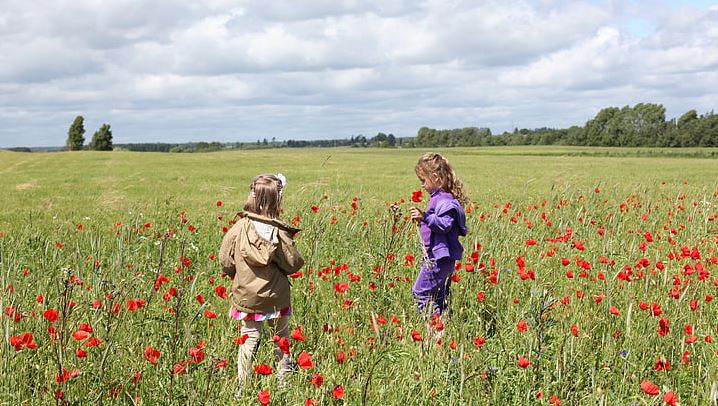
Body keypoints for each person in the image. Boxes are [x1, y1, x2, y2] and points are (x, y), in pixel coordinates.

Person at [219, 173, 304, 392]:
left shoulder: (239, 228)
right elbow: (293, 264)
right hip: (276, 296)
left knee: (249, 338)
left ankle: (242, 387)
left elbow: (225, 261)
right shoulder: (278, 232)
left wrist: (238, 276)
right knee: (281, 339)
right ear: (277, 200)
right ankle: (284, 383)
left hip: (247, 296)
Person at [409, 153, 469, 332]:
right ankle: (444, 330)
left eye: (423, 180)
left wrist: (425, 217)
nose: (422, 185)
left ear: (435, 177)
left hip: (438, 259)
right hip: (438, 258)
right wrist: (424, 220)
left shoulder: (444, 200)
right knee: (438, 297)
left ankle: (435, 331)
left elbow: (445, 225)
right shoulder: (439, 197)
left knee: (420, 292)